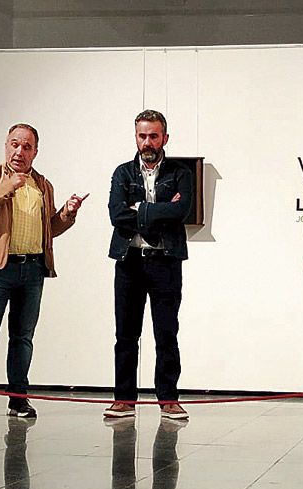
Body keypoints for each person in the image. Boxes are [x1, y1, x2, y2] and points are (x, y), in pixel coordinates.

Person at [0, 123, 87, 422]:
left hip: (33, 268)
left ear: (35, 152)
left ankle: (18, 400)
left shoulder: (42, 184)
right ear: (6, 145)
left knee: (23, 338)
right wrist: (5, 187)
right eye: (14, 144)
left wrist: (67, 213)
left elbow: (49, 228)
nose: (19, 151)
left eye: (26, 147)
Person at [103, 110, 194, 421]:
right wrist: (159, 210)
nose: (147, 142)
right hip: (129, 262)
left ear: (165, 138)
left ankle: (168, 399)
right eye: (142, 136)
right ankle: (124, 400)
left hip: (165, 263)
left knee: (166, 332)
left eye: (154, 136)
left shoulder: (181, 173)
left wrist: (139, 209)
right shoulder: (122, 173)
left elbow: (181, 211)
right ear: (136, 137)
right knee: (126, 334)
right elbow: (116, 215)